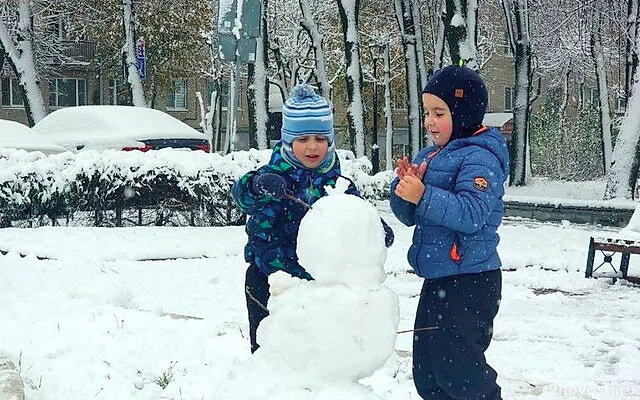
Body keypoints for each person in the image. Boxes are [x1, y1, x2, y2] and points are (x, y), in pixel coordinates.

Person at [232, 83, 394, 354]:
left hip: (318, 289)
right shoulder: (272, 177)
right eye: (303, 139)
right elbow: (242, 195)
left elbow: (356, 215)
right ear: (288, 141)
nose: (312, 147)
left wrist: (375, 230)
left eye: (320, 139)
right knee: (271, 354)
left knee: (317, 358)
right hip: (270, 280)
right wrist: (258, 184)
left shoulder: (338, 185)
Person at [389, 65, 509, 400]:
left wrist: (423, 195)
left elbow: (471, 213)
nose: (429, 121)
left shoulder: (481, 157)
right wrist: (405, 187)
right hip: (439, 277)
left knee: (461, 371)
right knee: (427, 370)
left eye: (439, 112)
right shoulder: (431, 156)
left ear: (464, 113)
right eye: (427, 112)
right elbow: (408, 216)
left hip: (471, 279)